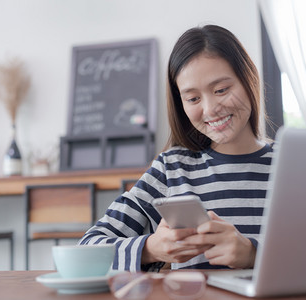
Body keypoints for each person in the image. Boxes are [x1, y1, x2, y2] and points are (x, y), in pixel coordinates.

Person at [79, 24, 274, 272]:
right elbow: (87, 248)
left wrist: (253, 255)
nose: (210, 109)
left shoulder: (292, 168)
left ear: (249, 80)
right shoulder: (172, 169)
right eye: (193, 98)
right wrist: (151, 249)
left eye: (221, 90)